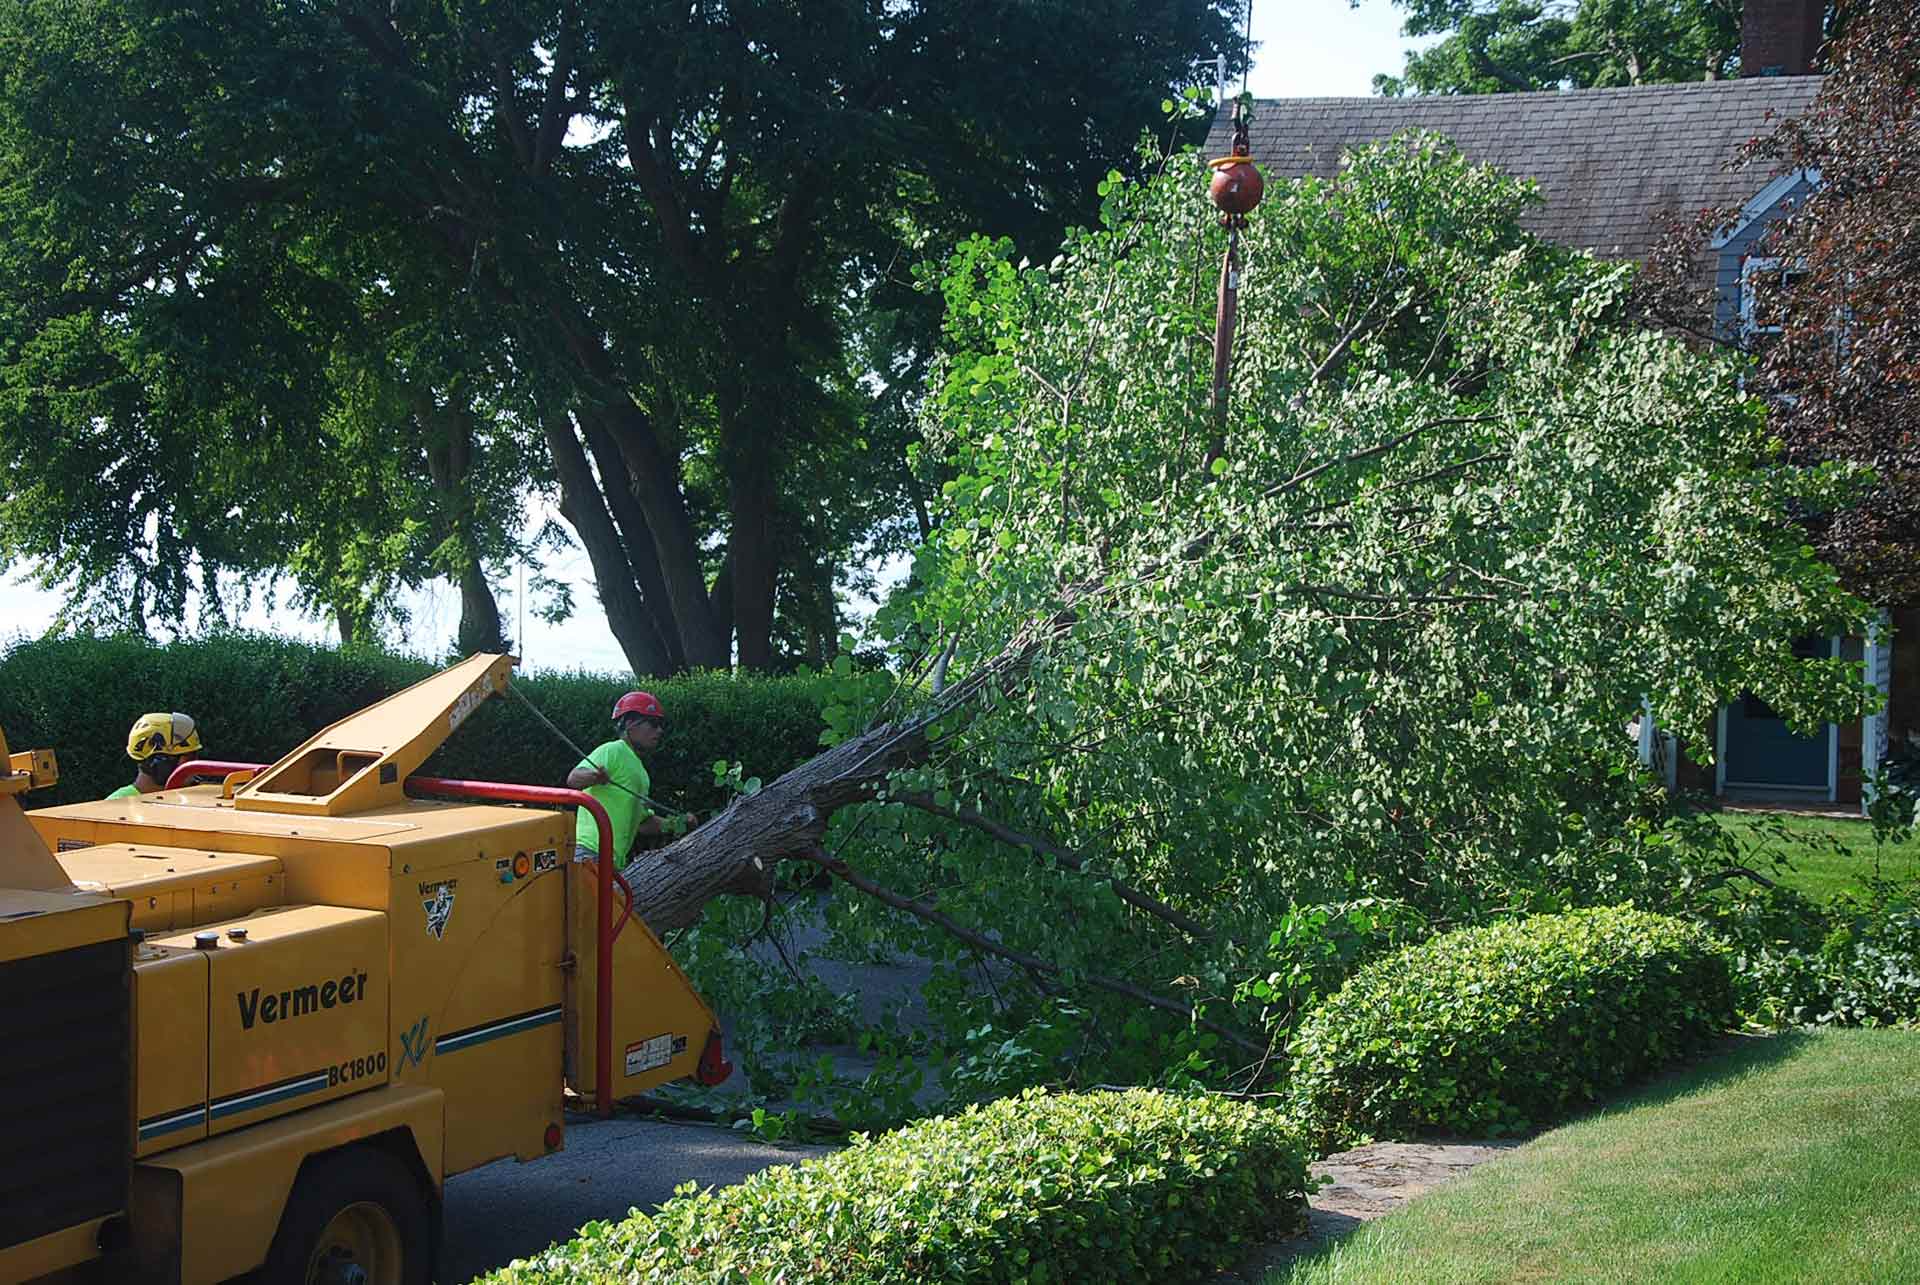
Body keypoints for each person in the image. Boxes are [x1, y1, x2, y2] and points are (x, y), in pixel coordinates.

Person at [565, 691, 697, 869]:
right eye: (653, 723)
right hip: (590, 852)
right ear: (629, 724)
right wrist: (594, 776)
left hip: (612, 861)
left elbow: (643, 823)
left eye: (660, 725)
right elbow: (574, 779)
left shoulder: (641, 772)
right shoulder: (613, 750)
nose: (659, 730)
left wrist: (677, 823)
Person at [108, 712, 203, 800]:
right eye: (190, 758)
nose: (195, 766)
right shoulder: (115, 806)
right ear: (161, 763)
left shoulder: (188, 799)